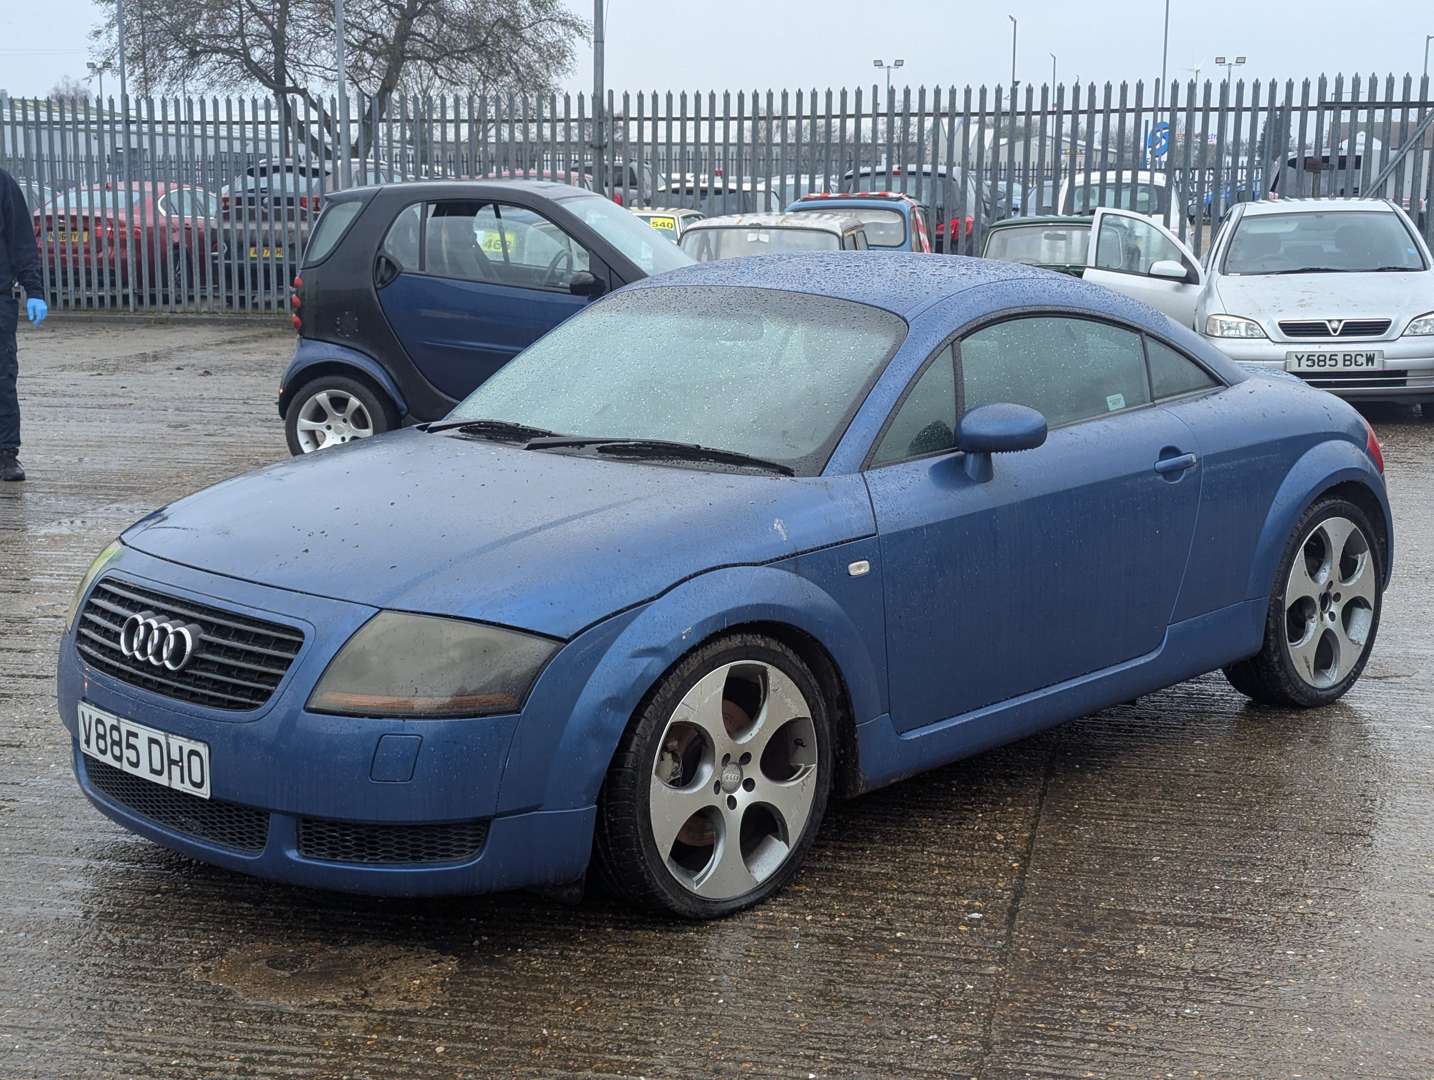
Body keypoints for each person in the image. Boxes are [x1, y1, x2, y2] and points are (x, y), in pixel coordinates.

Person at [1, 166, 47, 482]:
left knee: (2, 377)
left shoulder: (3, 184)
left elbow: (21, 240)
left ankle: (6, 454)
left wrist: (34, 290)